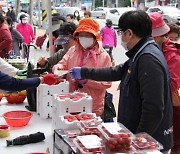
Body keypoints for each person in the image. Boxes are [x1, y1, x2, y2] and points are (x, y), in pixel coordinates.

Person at [69, 10, 173, 152]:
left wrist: (138, 142)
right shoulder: (140, 53)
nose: (121, 37)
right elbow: (116, 71)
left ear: (129, 33)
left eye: (121, 32)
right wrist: (83, 71)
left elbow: (154, 109)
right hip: (137, 137)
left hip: (149, 143)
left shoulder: (148, 59)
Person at [52, 18, 112, 116]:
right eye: (81, 35)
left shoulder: (104, 57)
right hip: (70, 102)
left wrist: (87, 81)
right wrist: (58, 68)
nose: (84, 38)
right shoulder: (73, 50)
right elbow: (63, 63)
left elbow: (106, 83)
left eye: (87, 35)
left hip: (92, 106)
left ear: (94, 37)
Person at [148, 12, 180, 154]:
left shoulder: (172, 55)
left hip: (165, 108)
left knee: (162, 145)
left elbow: (172, 84)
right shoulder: (147, 51)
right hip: (149, 107)